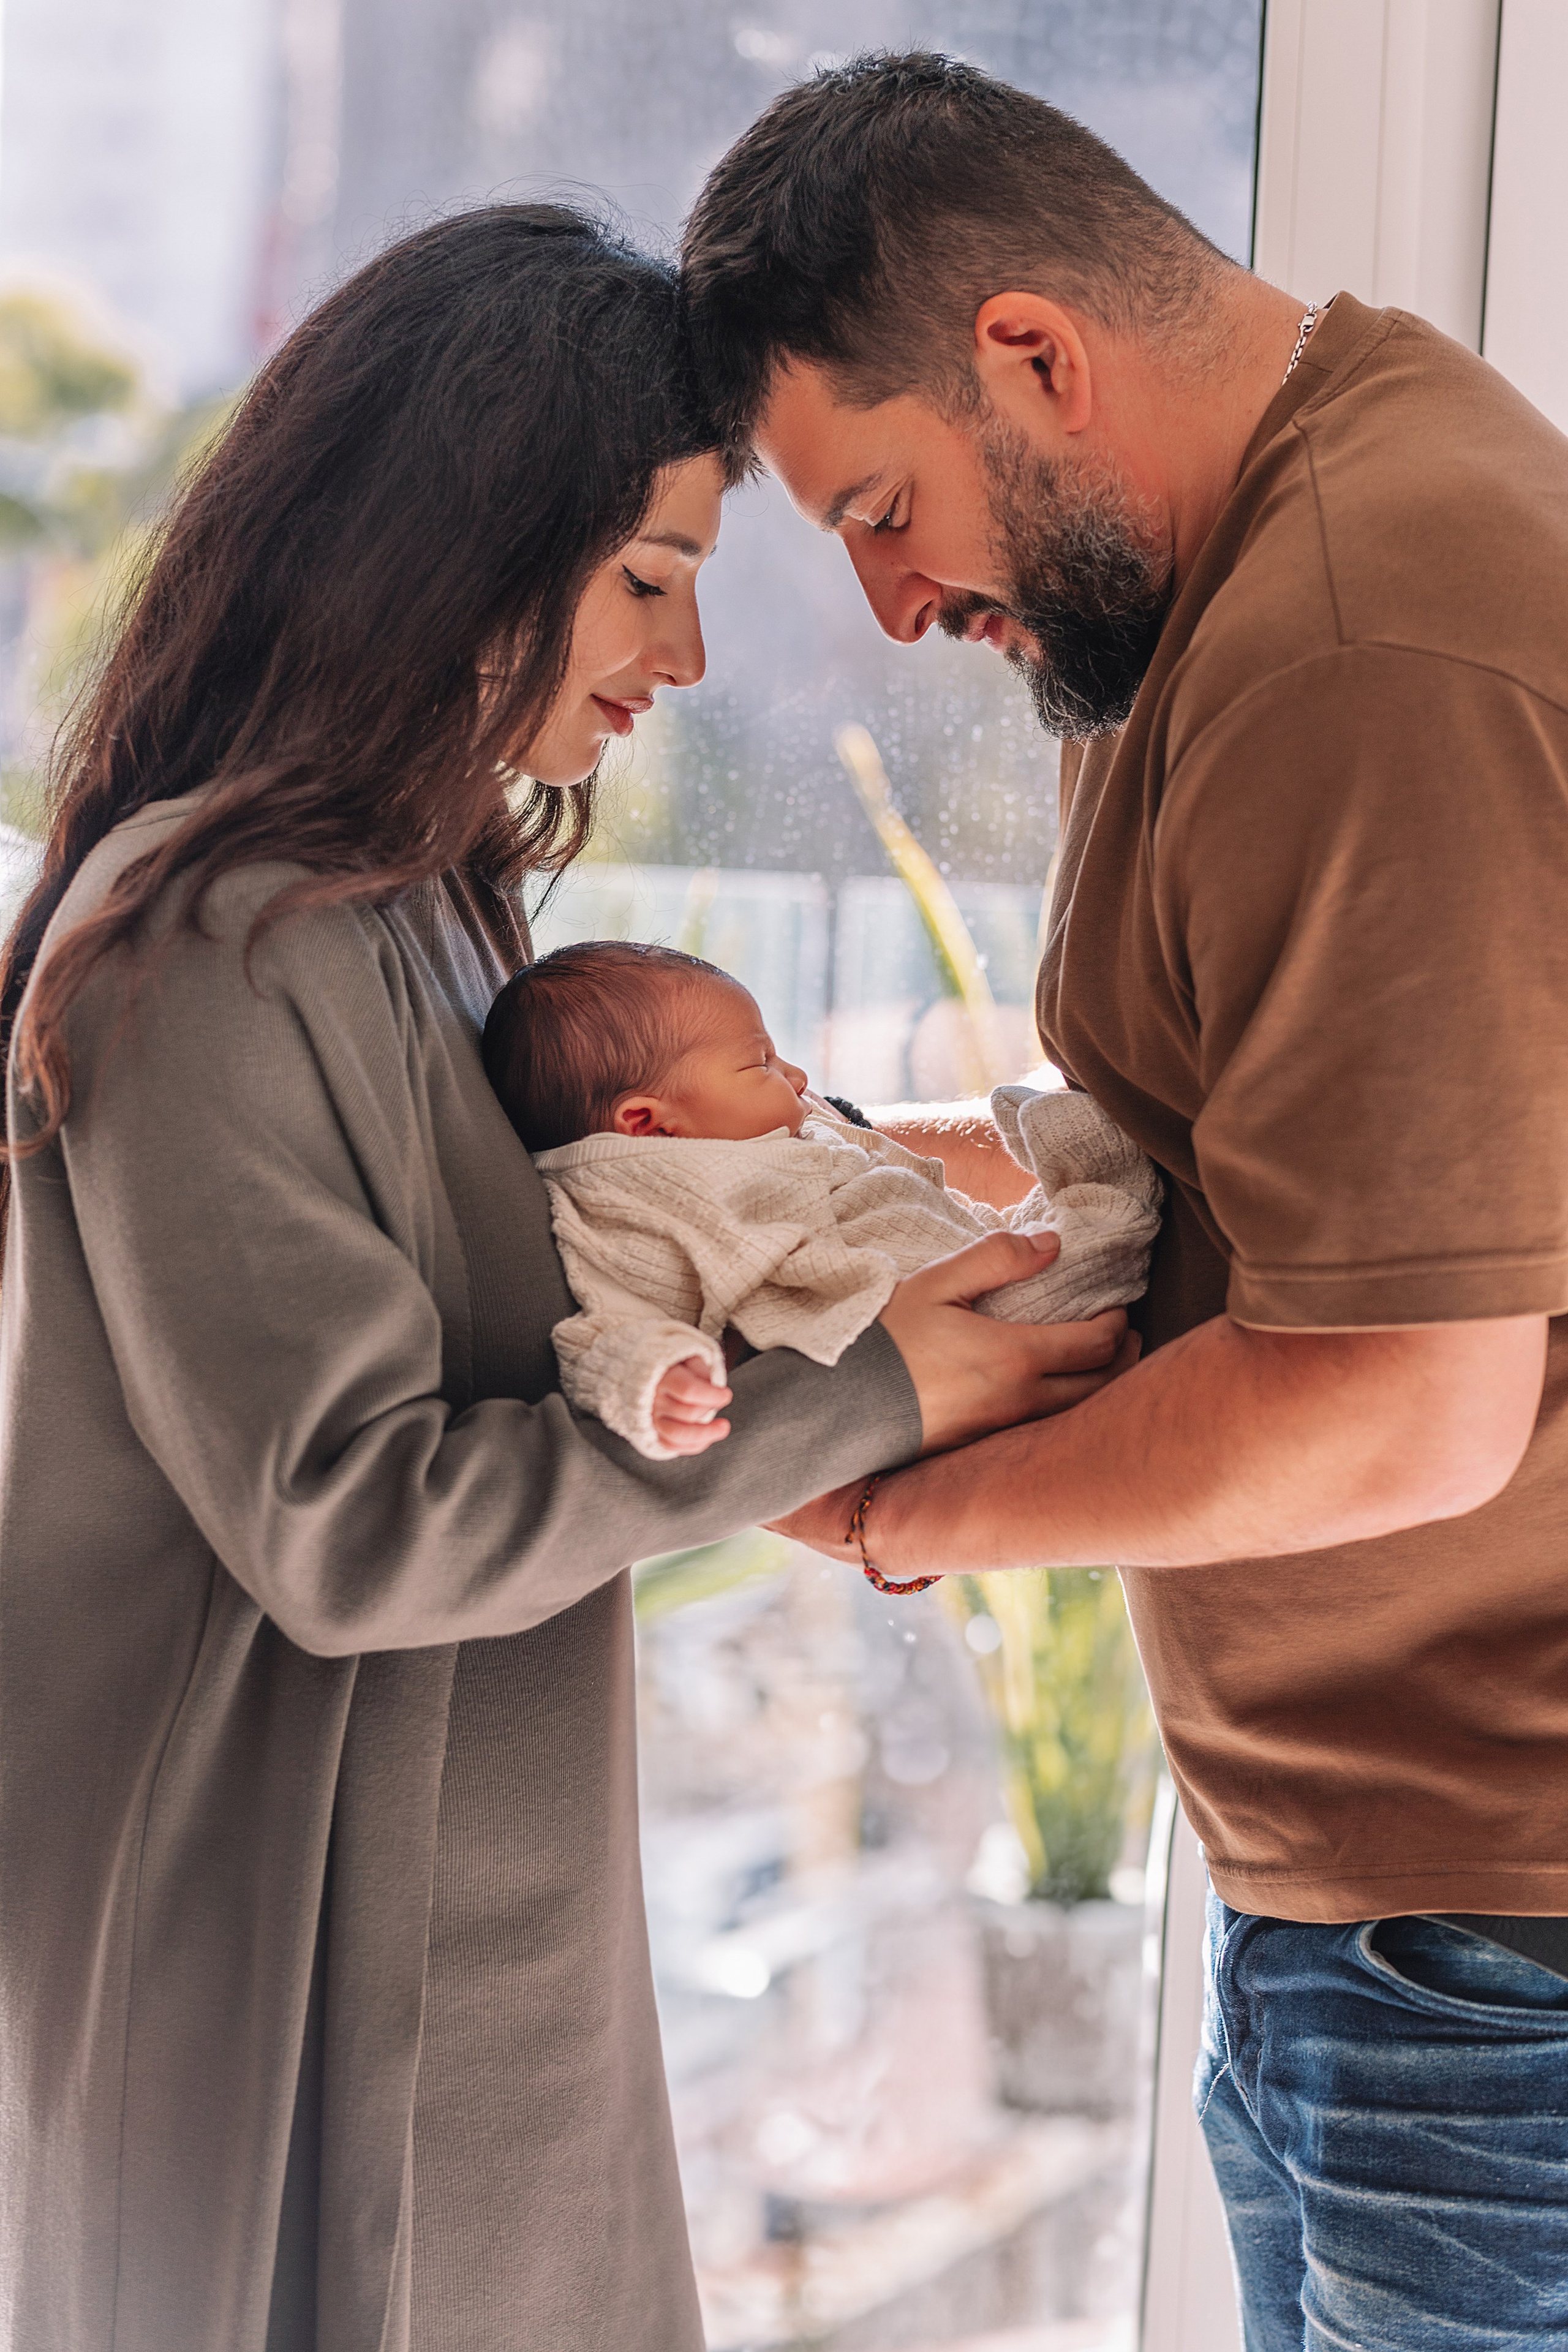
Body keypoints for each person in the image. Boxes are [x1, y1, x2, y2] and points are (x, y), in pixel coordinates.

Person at [0, 203, 1129, 2352]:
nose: (683, 664)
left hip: (472, 1932)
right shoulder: (207, 941)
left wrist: (898, 1219)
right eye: (650, 579)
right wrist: (875, 1392)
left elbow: (586, 1253)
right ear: (460, 533)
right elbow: (352, 1518)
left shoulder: (426, 909)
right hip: (275, 1981)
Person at [682, 51, 1568, 2351]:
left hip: (1496, 1978)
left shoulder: (1356, 634)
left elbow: (1401, 1401)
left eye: (878, 510)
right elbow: (1203, 1152)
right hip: (1390, 1941)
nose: (886, 608)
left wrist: (884, 1518)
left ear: (1030, 359)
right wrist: (813, 1184)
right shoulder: (1228, 588)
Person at [480, 938, 1159, 1459]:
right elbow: (602, 1325)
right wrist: (652, 1380)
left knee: (1031, 1242)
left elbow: (903, 1175)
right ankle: (1107, 1178)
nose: (798, 1076)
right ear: (647, 1122)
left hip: (947, 1251)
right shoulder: (626, 1201)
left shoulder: (784, 1127)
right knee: (1098, 1249)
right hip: (921, 1330)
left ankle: (1075, 1185)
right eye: (761, 1064)